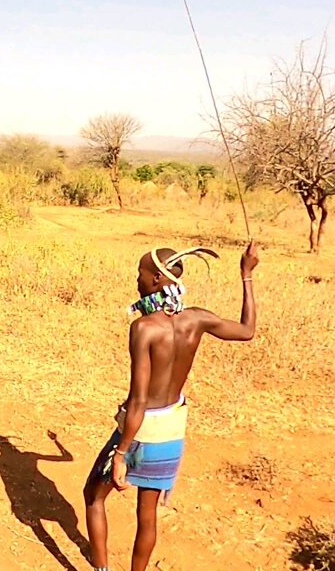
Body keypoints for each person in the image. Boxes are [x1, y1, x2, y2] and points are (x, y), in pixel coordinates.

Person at [83, 242, 260, 571]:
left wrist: (121, 453)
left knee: (93, 496)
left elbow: (138, 400)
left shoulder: (144, 328)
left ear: (154, 282)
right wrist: (246, 275)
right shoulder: (196, 319)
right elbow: (247, 331)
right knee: (147, 516)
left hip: (141, 431)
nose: (137, 280)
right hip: (172, 430)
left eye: (141, 274)